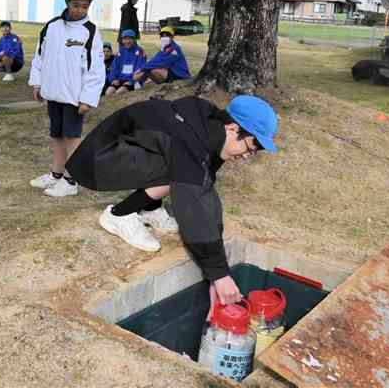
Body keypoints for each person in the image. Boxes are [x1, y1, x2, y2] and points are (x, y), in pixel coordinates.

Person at [66, 95, 279, 315]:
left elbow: (205, 187)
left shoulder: (210, 129)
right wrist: (219, 274)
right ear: (233, 129)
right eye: (250, 146)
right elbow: (194, 203)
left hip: (126, 147)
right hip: (98, 159)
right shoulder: (191, 140)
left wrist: (217, 264)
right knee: (182, 172)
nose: (247, 156)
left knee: (186, 170)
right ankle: (119, 215)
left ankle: (150, 209)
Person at [28, 0, 105, 198]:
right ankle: (56, 173)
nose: (79, 10)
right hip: (53, 92)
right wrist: (37, 83)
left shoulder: (90, 32)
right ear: (67, 3)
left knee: (72, 136)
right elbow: (39, 56)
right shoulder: (51, 26)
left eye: (84, 6)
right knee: (56, 134)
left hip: (74, 96)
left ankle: (71, 180)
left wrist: (88, 98)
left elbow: (96, 69)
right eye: (75, 5)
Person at [105, 30, 146, 96]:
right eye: (125, 39)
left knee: (119, 92)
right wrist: (113, 79)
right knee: (108, 92)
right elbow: (114, 67)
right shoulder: (121, 51)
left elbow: (140, 68)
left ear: (134, 39)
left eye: (130, 39)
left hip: (132, 81)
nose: (127, 41)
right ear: (122, 40)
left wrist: (132, 81)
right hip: (120, 79)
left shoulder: (140, 51)